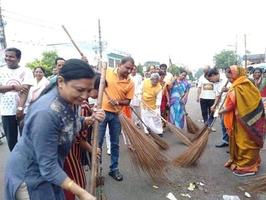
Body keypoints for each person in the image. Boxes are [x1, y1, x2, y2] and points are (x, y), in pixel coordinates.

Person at [5, 59, 105, 200]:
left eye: (88, 90)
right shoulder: (45, 113)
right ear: (60, 82)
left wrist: (90, 119)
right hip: (30, 176)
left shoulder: (69, 101)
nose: (84, 96)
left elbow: (70, 123)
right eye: (80, 90)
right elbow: (49, 166)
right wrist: (82, 193)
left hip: (47, 172)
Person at [220, 65, 265, 177]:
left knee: (244, 143)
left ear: (235, 75)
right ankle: (253, 162)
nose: (229, 81)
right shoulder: (247, 83)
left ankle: (247, 168)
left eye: (230, 78)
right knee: (250, 141)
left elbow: (231, 106)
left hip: (244, 121)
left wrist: (220, 111)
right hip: (250, 119)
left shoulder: (238, 87)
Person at [63, 74, 102, 200]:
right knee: (76, 181)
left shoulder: (85, 105)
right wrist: (92, 149)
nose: (103, 93)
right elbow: (79, 139)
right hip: (70, 151)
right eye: (102, 89)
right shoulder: (82, 106)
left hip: (71, 149)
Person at [98, 56, 135, 181]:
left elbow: (128, 101)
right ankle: (98, 170)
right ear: (120, 65)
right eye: (127, 68)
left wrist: (118, 101)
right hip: (101, 112)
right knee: (97, 143)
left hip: (116, 115)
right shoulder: (106, 72)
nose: (129, 71)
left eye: (131, 69)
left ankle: (114, 169)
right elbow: (94, 77)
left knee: (115, 143)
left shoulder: (130, 82)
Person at [0, 47, 35, 151]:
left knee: (26, 139)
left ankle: (28, 163)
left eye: (11, 56)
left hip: (24, 111)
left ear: (18, 59)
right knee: (11, 141)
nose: (8, 58)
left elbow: (25, 90)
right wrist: (14, 87)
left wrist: (20, 108)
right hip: (6, 111)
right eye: (6, 56)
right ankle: (16, 163)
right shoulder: (1, 70)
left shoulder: (26, 70)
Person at [207, 68, 231, 148]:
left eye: (211, 79)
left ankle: (233, 143)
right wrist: (214, 105)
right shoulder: (215, 83)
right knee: (223, 123)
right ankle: (226, 141)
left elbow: (236, 89)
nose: (211, 81)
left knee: (229, 124)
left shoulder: (227, 78)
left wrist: (228, 89)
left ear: (214, 75)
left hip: (229, 105)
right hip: (221, 105)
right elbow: (217, 95)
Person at [197, 65, 216, 130]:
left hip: (212, 98)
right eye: (204, 71)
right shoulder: (201, 78)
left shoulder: (213, 76)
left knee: (212, 112)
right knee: (204, 112)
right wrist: (198, 96)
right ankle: (206, 124)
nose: (205, 72)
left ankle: (210, 125)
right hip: (203, 97)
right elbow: (199, 88)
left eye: (206, 71)